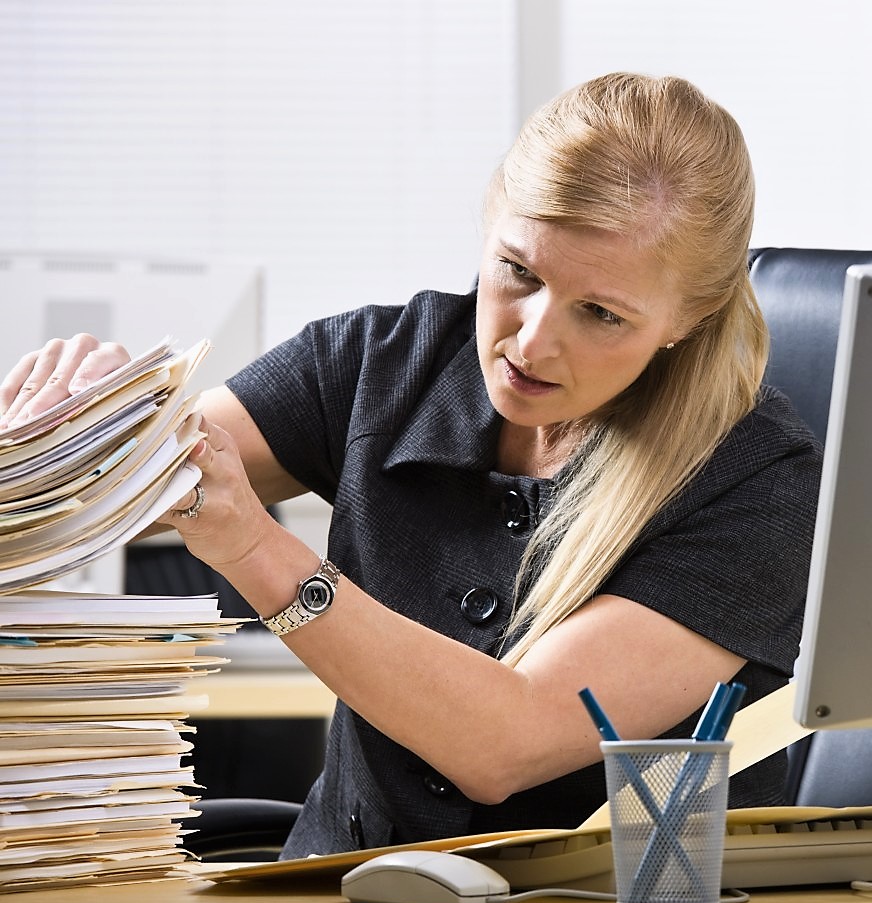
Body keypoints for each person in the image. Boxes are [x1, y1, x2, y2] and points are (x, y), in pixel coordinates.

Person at [0, 72, 821, 857]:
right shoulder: (376, 361)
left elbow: (505, 742)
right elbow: (134, 486)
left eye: (600, 313)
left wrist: (255, 549)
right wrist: (86, 433)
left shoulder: (755, 480)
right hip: (343, 896)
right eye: (516, 272)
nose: (530, 341)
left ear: (691, 315)